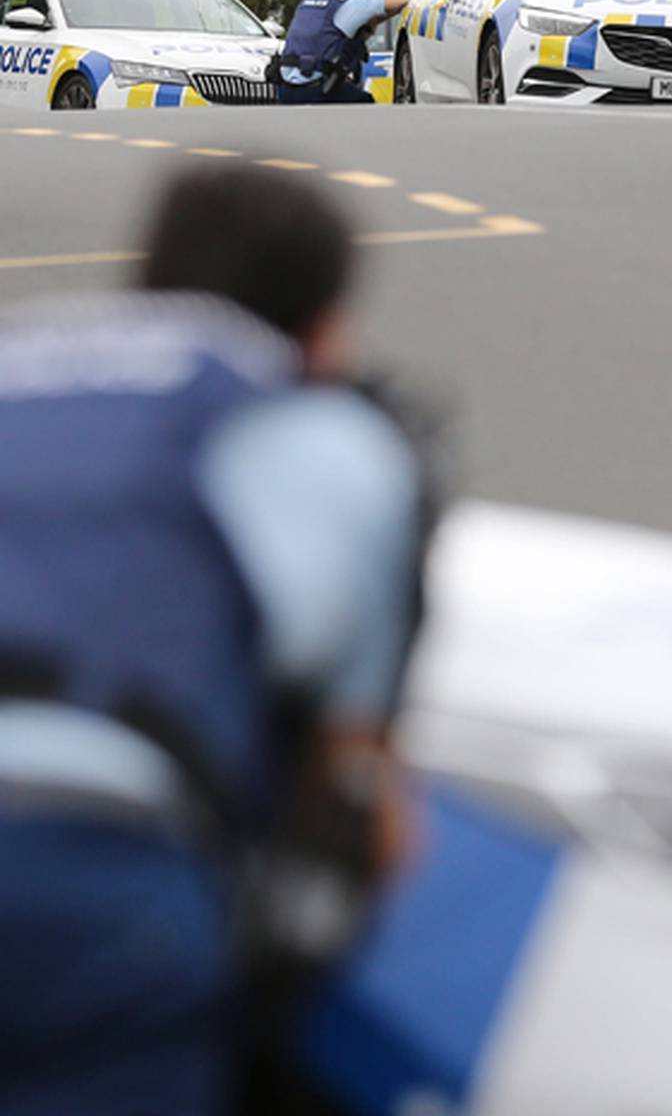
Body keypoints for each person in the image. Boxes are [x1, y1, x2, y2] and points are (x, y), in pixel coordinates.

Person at [0, 166, 429, 1115]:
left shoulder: (22, 354)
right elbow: (360, 805)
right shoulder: (307, 426)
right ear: (324, 331)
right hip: (87, 872)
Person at [277, 0, 410, 104]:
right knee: (367, 103)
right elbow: (401, 1)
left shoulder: (307, 0)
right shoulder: (348, 1)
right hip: (319, 89)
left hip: (285, 89)